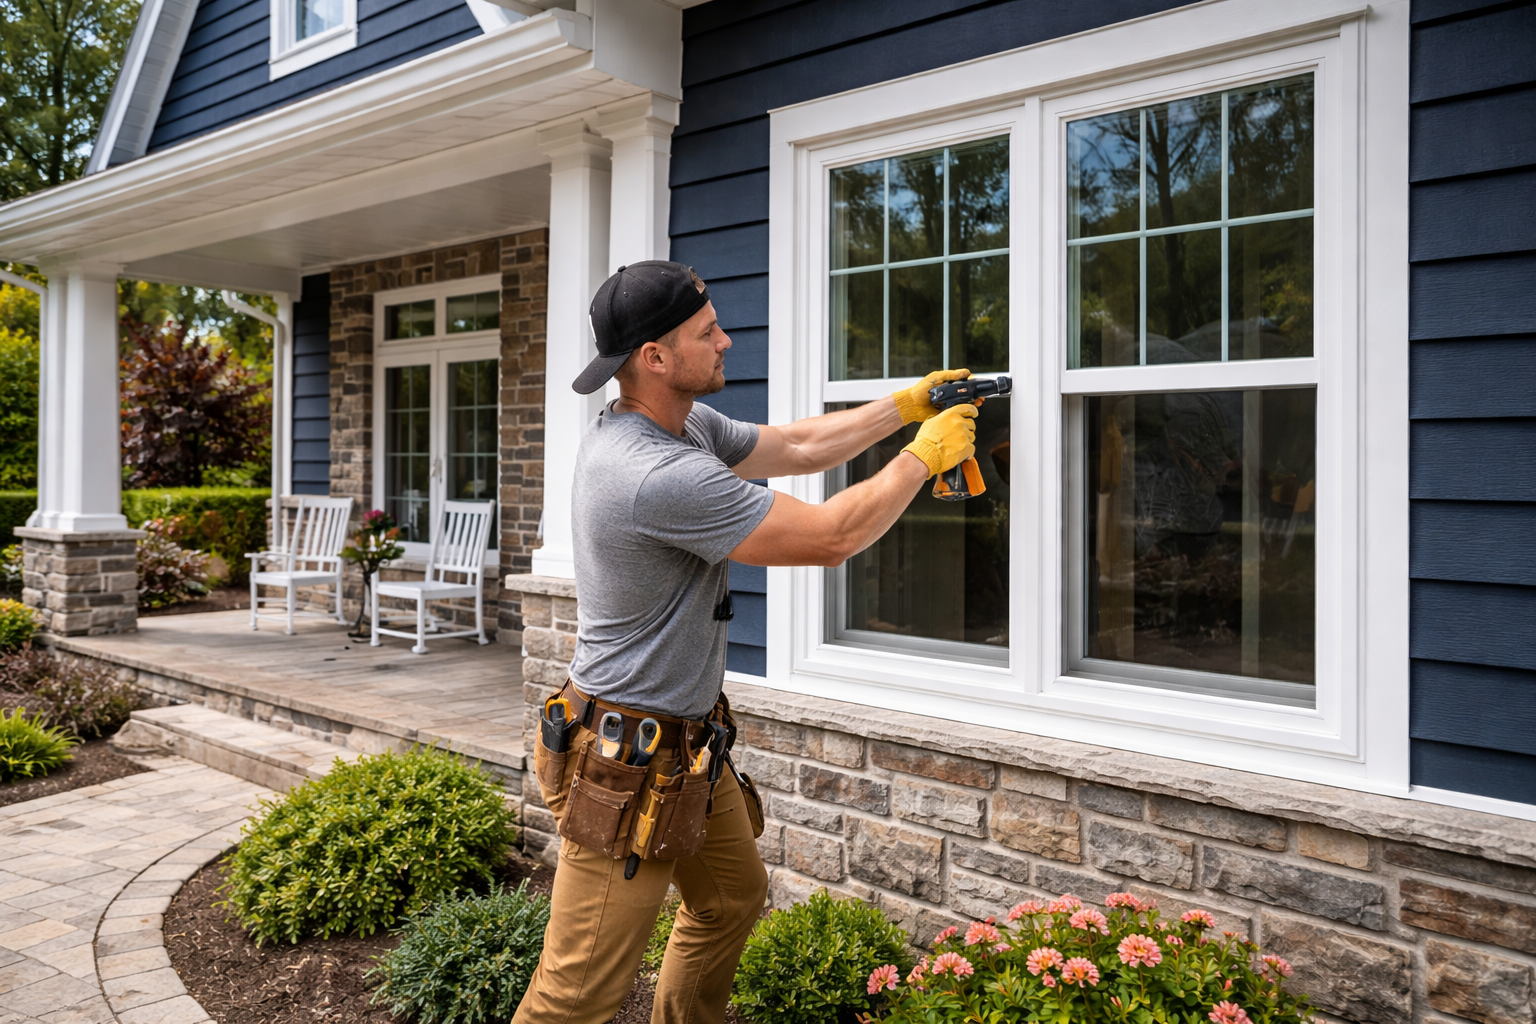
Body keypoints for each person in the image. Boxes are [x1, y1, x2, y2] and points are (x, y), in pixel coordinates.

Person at [513, 261, 980, 1024]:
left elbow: (796, 446)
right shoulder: (653, 474)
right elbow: (832, 537)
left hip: (687, 747)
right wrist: (922, 458)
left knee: (731, 899)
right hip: (624, 761)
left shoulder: (678, 424)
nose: (727, 340)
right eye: (707, 333)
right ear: (653, 358)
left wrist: (904, 406)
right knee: (572, 1000)